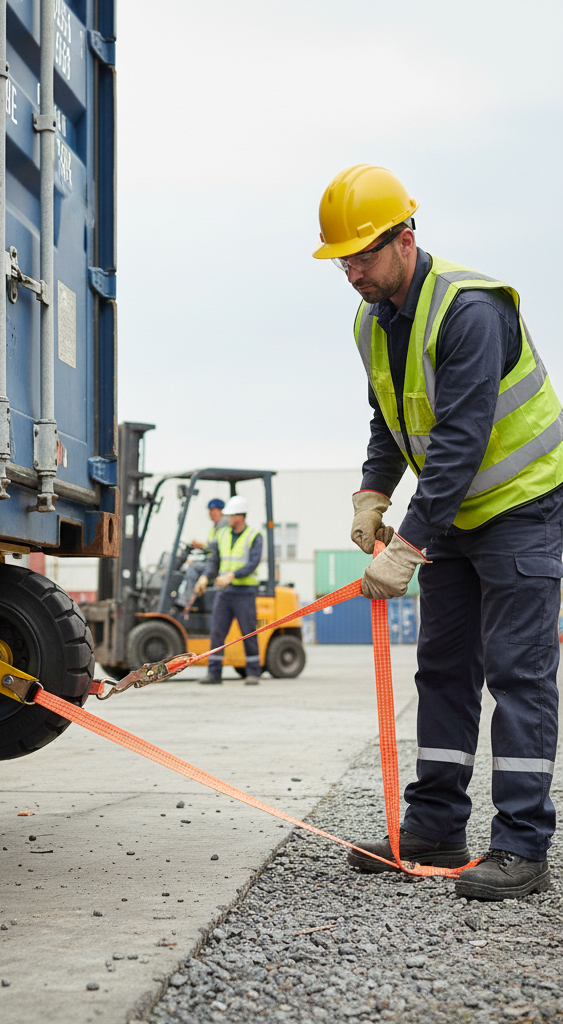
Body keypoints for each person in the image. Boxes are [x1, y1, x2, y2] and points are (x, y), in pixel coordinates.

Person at [315, 163, 563, 901]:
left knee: (517, 675)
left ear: (406, 238)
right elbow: (391, 419)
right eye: (342, 262)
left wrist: (407, 546)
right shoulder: (372, 321)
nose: (353, 273)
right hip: (455, 515)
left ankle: (521, 846)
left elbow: (459, 438)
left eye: (363, 256)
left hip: (521, 507)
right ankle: (434, 827)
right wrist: (372, 492)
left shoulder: (469, 310)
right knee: (444, 670)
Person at [194, 494, 263, 685]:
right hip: (225, 593)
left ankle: (253, 673)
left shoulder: (254, 536)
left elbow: (253, 563)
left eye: (232, 515)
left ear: (240, 516)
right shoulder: (222, 534)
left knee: (248, 632)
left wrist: (232, 575)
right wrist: (204, 577)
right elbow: (214, 560)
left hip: (245, 592)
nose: (228, 518)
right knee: (217, 631)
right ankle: (214, 673)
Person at [175, 498, 226, 610]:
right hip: (211, 560)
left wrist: (202, 545)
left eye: (213, 511)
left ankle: (186, 602)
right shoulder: (215, 527)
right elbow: (210, 548)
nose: (211, 514)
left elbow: (216, 546)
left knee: (193, 568)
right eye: (210, 511)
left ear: (221, 511)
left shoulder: (224, 526)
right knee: (191, 564)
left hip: (217, 564)